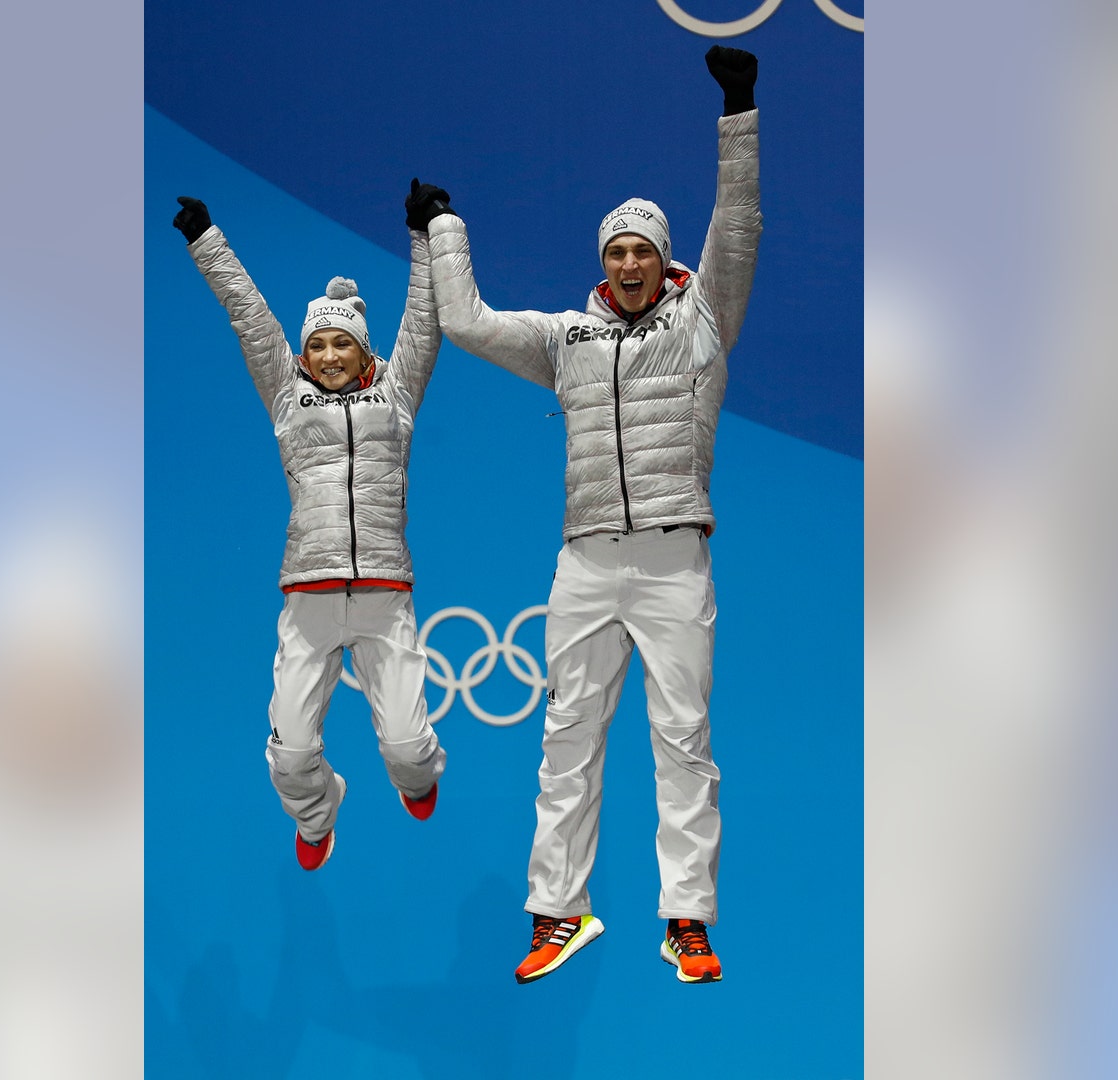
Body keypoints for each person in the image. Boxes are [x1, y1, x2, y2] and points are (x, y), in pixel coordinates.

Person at [416, 46, 761, 984]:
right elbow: (468, 322)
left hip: (674, 559)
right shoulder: (566, 338)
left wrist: (738, 110)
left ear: (663, 258)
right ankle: (558, 914)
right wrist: (442, 229)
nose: (629, 262)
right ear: (602, 262)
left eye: (642, 249)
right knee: (566, 739)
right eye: (616, 251)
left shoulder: (702, 321)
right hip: (586, 562)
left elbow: (737, 227)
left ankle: (686, 922)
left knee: (683, 742)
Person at [173, 183, 453, 869]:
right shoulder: (285, 395)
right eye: (318, 345)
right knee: (293, 755)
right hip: (309, 597)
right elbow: (250, 316)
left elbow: (424, 322)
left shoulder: (397, 393)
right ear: (303, 356)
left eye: (342, 344)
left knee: (409, 752)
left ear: (363, 352)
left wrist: (424, 238)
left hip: (384, 596)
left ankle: (417, 780)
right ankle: (318, 812)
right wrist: (206, 241)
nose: (329, 355)